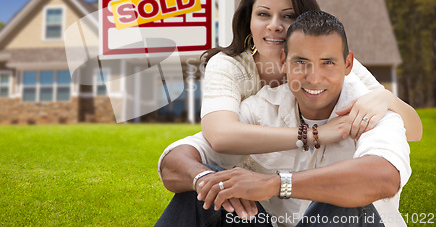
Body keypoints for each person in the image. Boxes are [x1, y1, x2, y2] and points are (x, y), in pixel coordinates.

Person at [157, 11, 411, 226]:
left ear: (347, 64)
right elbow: (175, 160)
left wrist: (276, 184)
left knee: (345, 201)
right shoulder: (262, 108)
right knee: (202, 193)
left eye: (327, 63)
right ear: (283, 62)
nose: (313, 77)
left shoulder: (372, 110)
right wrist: (202, 179)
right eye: (301, 62)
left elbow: (383, 177)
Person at [200, 0, 422, 157]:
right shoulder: (229, 66)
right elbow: (220, 135)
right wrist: (316, 134)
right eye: (263, 14)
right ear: (248, 20)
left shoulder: (333, 64)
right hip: (247, 179)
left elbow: (414, 131)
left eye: (287, 16)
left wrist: (386, 98)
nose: (274, 25)